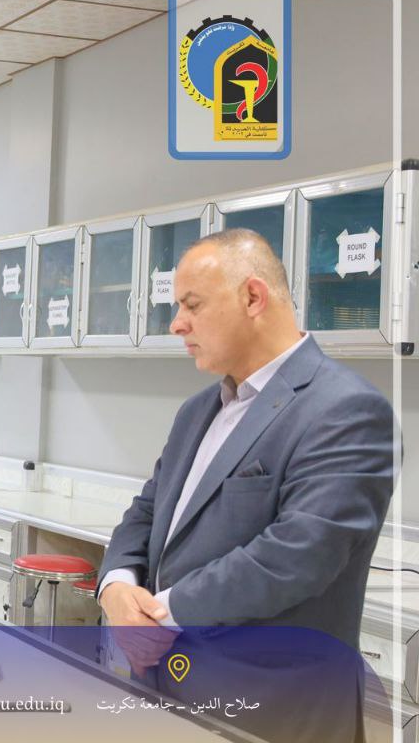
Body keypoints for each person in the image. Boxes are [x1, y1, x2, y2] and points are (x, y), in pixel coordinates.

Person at [97, 228, 394, 742]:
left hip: (274, 712)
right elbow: (146, 512)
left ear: (253, 297)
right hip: (167, 691)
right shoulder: (198, 411)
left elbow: (298, 554)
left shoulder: (345, 410)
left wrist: (159, 617)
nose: (176, 323)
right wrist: (118, 588)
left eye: (192, 305)